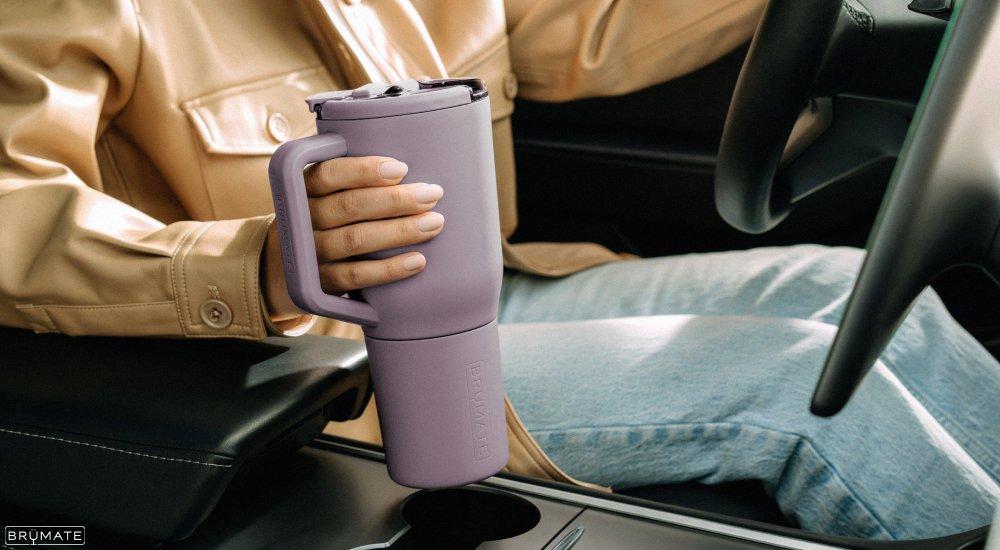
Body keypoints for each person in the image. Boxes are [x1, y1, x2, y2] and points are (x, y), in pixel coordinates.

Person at [0, 0, 996, 540]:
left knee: (849, 290)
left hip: (494, 289)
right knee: (794, 387)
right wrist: (253, 256)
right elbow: (13, 212)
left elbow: (590, 30)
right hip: (320, 366)